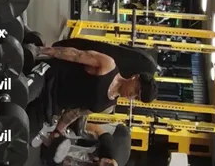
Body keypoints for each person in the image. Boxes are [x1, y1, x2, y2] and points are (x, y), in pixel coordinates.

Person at [24, 42, 158, 142]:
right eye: (136, 90)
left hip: (51, 104)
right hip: (49, 76)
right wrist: (39, 50)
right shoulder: (108, 66)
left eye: (136, 97)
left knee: (23, 134)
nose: (132, 96)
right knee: (24, 94)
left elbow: (75, 112)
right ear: (135, 77)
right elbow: (75, 55)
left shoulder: (107, 107)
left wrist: (59, 130)